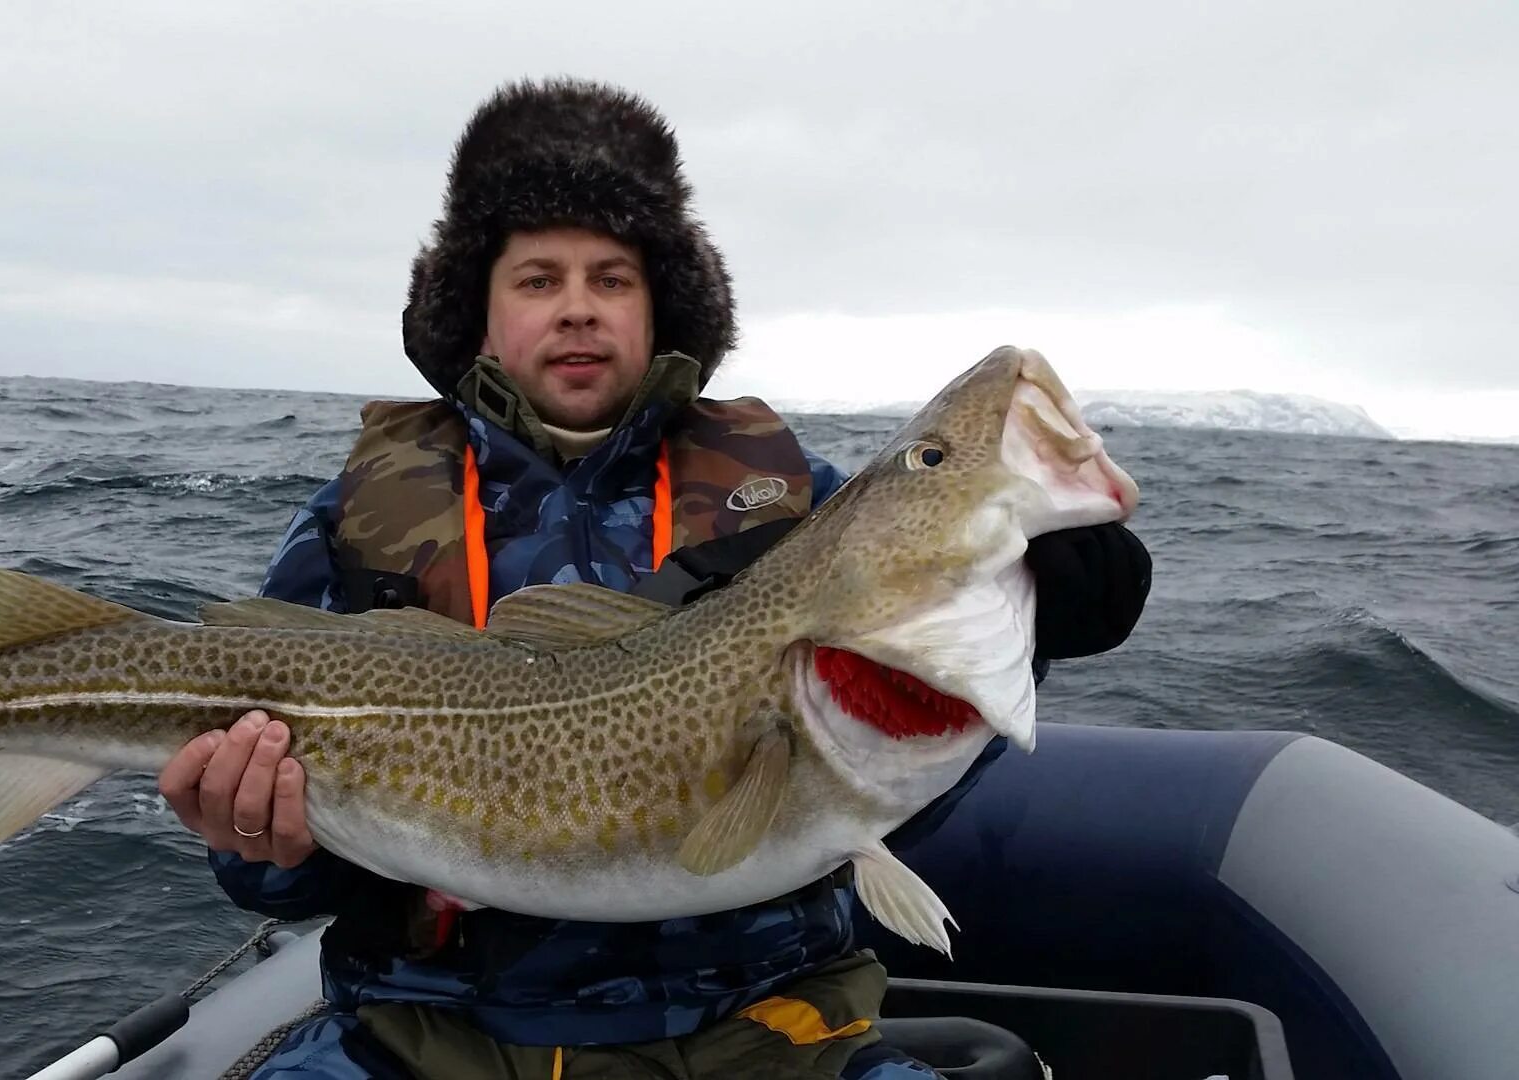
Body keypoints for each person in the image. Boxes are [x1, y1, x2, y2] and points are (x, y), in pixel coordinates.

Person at [158, 77, 1151, 1079]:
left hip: (766, 1038)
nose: (579, 309)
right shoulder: (352, 527)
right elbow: (269, 885)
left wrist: (1044, 621)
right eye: (538, 279)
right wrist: (252, 837)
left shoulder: (802, 509)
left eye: (613, 278)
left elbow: (886, 787)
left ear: (662, 301)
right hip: (422, 1040)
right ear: (481, 307)